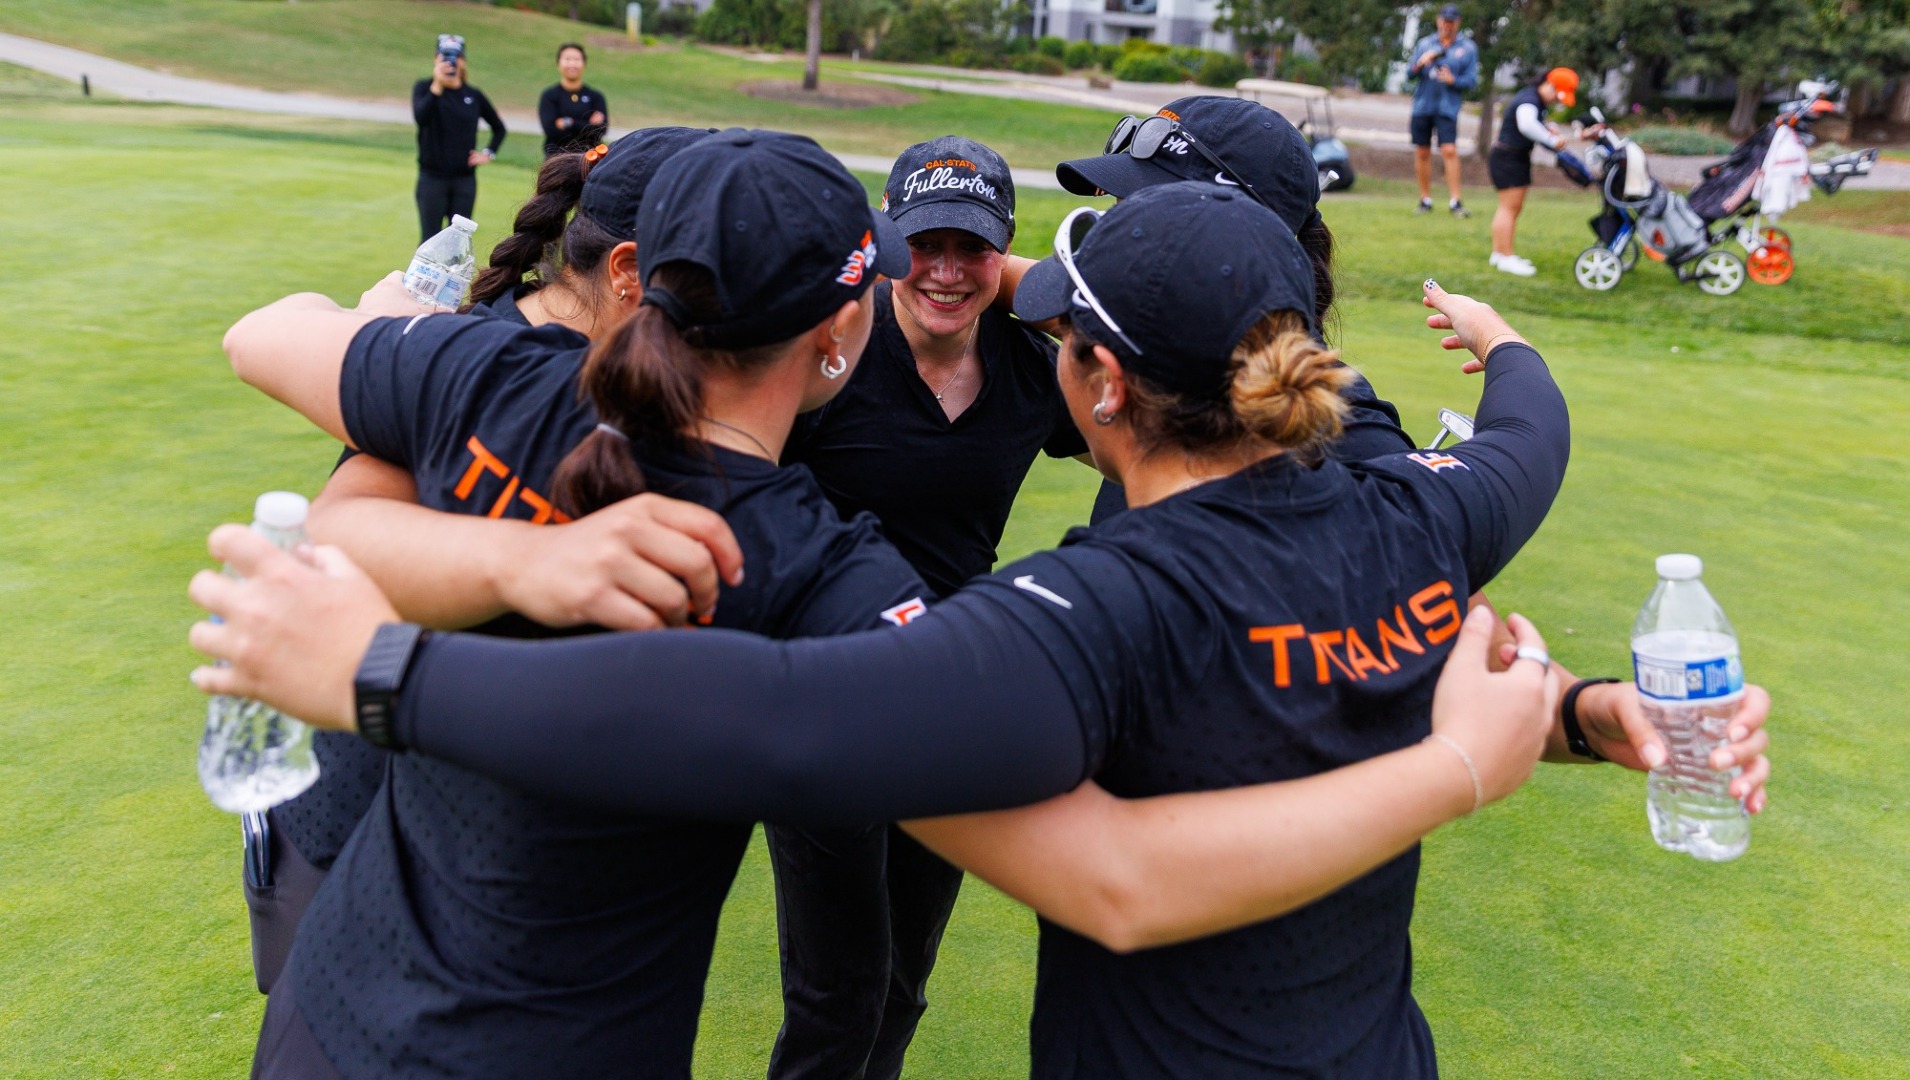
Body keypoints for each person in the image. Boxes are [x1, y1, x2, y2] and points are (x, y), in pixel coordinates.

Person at [191, 184, 1763, 1076]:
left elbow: (783, 728)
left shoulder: (1094, 614)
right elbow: (1523, 435)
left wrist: (384, 670)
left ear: (1088, 389)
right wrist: (1566, 717)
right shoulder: (1423, 519)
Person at [240, 128, 722, 1002]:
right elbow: (340, 540)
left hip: (486, 843)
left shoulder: (629, 378)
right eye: (713, 264)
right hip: (352, 816)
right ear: (627, 269)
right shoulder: (469, 354)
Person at [766, 135, 1085, 1080]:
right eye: (924, 245)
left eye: (973, 247)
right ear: (888, 247)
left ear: (1007, 252)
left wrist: (1028, 290)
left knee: (903, 982)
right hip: (828, 694)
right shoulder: (829, 342)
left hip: (953, 704)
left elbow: (1156, 387)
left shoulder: (1036, 364)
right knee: (834, 994)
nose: (946, 272)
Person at [1049, 95, 1419, 524]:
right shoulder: (1158, 340)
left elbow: (1428, 545)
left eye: (1140, 213)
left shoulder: (1340, 422)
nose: (1116, 232)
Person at [1488, 68, 1584, 277]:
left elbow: (1534, 123)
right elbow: (1527, 125)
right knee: (1509, 208)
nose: (1554, 102)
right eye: (1556, 96)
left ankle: (1500, 253)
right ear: (1549, 85)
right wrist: (1551, 140)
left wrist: (1548, 128)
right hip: (1508, 159)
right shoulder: (1530, 100)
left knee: (1509, 208)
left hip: (1513, 157)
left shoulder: (1533, 99)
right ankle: (1505, 257)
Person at [412, 34, 505, 244]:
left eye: (455, 57)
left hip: (464, 180)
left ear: (463, 61)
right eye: (444, 56)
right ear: (436, 59)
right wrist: (437, 86)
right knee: (429, 239)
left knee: (458, 241)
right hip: (431, 178)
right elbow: (421, 118)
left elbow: (499, 128)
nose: (450, 62)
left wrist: (488, 153)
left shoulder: (473, 95)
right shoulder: (424, 88)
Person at [1407, 5, 1477, 218]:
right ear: (1438, 21)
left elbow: (1472, 81)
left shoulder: (1467, 48)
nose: (1447, 25)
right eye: (1444, 20)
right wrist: (1421, 63)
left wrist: (1453, 80)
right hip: (1423, 105)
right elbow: (1409, 74)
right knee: (1422, 151)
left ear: (1458, 23)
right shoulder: (1425, 43)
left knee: (1449, 150)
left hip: (1447, 107)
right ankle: (1425, 199)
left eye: (1451, 21)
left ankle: (1455, 201)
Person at [538, 43, 609, 157]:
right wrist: (587, 125)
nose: (572, 64)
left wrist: (569, 122)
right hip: (556, 159)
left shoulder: (596, 97)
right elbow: (550, 130)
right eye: (567, 59)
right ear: (558, 64)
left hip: (589, 159)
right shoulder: (550, 95)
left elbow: (600, 131)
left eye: (576, 59)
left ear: (584, 64)